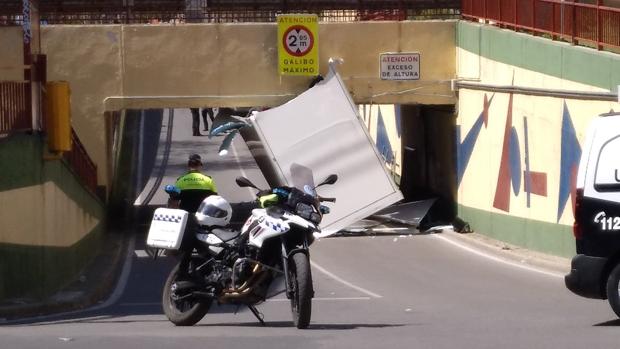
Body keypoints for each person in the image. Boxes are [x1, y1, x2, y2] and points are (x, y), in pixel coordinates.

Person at [168, 154, 218, 277]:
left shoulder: (180, 180)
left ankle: (183, 271)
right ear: (200, 165)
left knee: (188, 245)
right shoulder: (208, 180)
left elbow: (174, 201)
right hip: (204, 217)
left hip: (187, 218)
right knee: (208, 244)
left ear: (188, 166)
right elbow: (215, 199)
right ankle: (208, 268)